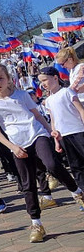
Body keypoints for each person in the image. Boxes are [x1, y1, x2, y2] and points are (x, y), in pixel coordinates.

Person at [0, 64, 84, 243]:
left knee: (51, 164)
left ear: (8, 79)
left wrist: (51, 131)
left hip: (37, 134)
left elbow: (38, 116)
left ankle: (77, 191)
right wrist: (13, 147)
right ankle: (36, 224)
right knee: (28, 184)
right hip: (17, 144)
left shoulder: (22, 96)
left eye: (1, 78)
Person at [39, 66, 84, 209]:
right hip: (64, 136)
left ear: (55, 78)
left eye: (45, 80)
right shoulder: (49, 100)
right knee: (76, 166)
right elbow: (53, 121)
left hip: (78, 131)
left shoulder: (67, 92)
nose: (43, 84)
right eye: (41, 82)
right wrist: (56, 140)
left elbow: (81, 110)